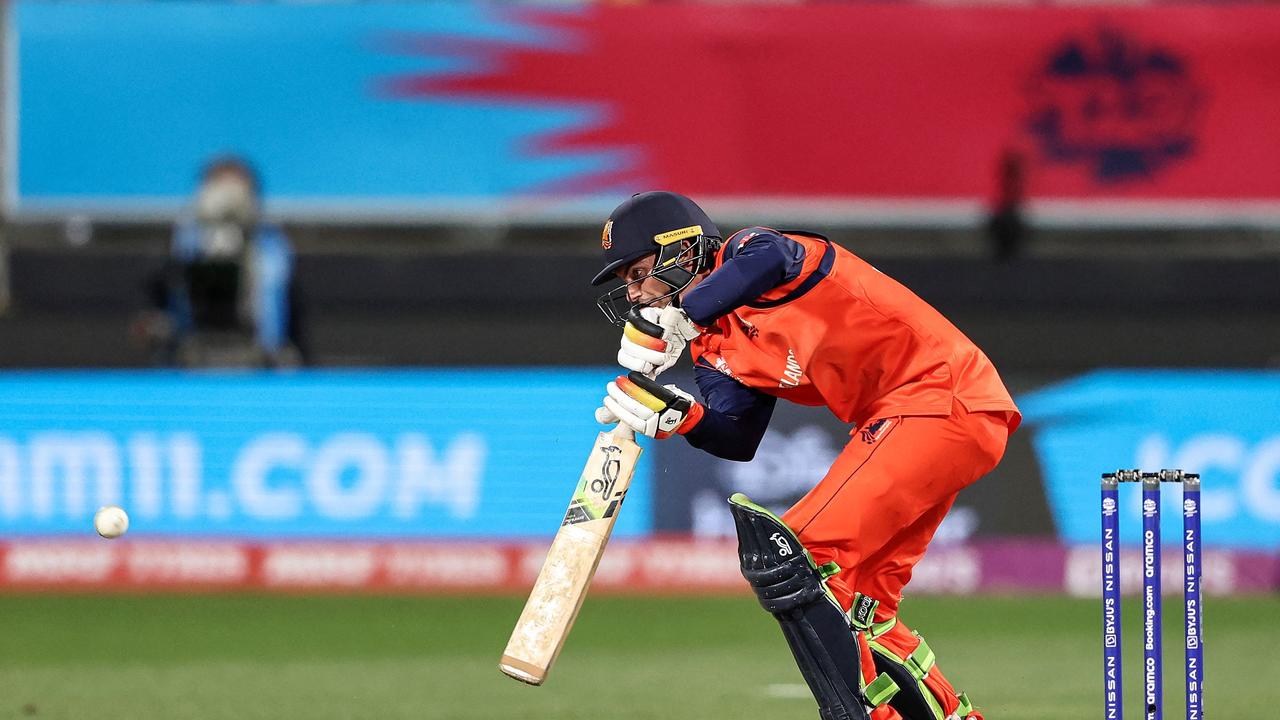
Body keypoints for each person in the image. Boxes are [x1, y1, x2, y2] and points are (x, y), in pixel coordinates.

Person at [591, 191, 1020, 720]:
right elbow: (737, 437)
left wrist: (681, 312)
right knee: (865, 607)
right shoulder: (713, 343)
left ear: (680, 249)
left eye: (638, 274)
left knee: (796, 554)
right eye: (628, 285)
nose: (635, 296)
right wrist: (680, 416)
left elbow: (769, 261)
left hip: (937, 398)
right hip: (935, 417)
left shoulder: (756, 252)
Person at [139, 156, 307, 367]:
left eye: (236, 192)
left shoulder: (276, 252)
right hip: (189, 362)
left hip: (262, 363)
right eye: (219, 189)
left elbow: (296, 325)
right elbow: (153, 314)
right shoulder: (177, 249)